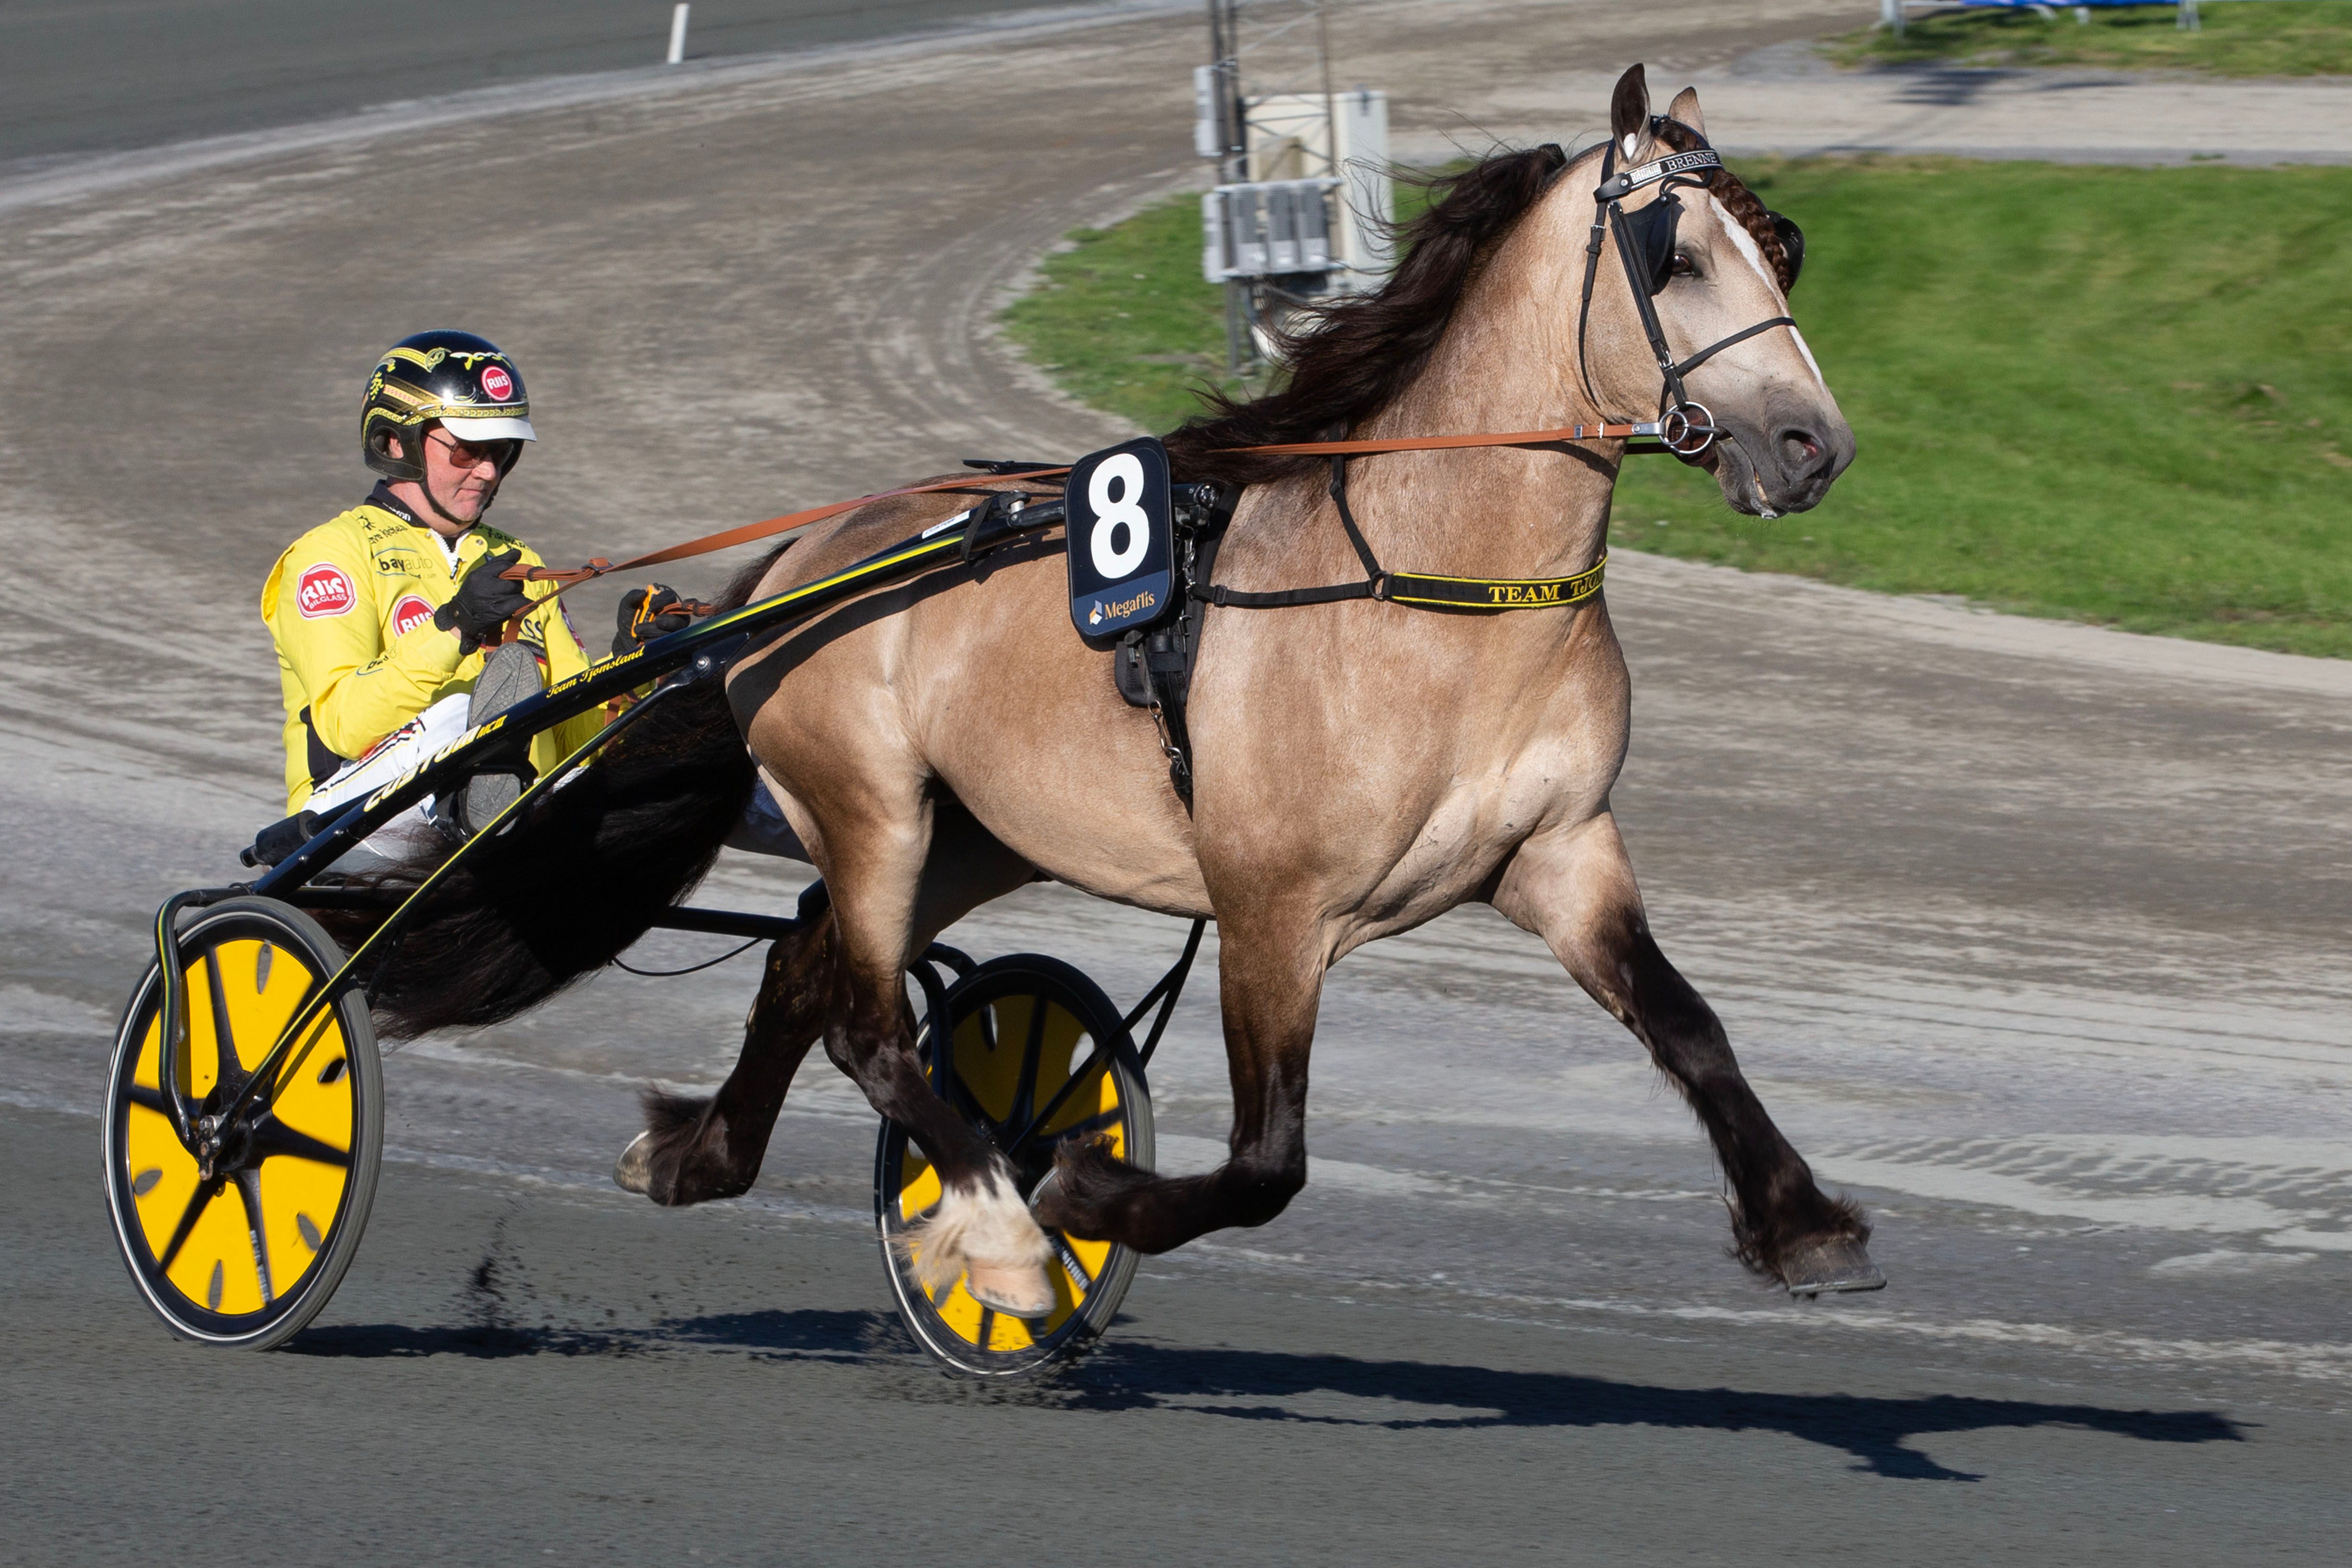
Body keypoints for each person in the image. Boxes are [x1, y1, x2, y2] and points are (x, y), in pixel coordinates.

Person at [260, 330, 690, 861]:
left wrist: (631, 673)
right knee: (460, 714)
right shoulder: (331, 554)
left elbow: (572, 738)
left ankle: (497, 804)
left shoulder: (517, 558)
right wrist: (457, 627)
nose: (486, 472)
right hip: (346, 824)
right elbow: (346, 725)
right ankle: (481, 797)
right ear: (396, 441)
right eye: (466, 450)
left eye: (500, 452)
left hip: (513, 817)